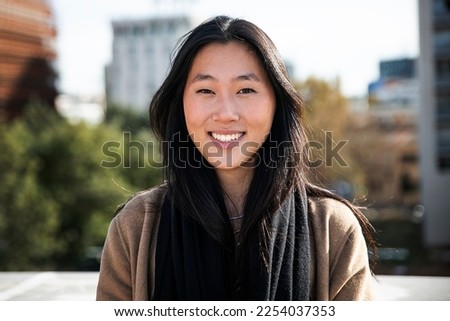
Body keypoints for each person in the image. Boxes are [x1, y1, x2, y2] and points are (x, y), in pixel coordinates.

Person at [96, 15, 376, 301]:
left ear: (276, 104)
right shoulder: (136, 228)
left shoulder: (332, 229)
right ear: (181, 105)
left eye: (246, 90)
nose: (226, 113)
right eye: (205, 90)